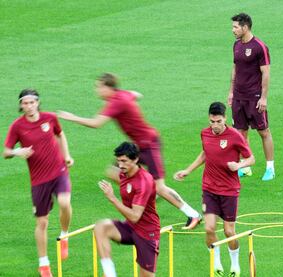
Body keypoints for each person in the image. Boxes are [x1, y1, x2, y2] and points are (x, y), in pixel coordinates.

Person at [58, 73, 201, 229]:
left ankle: (193, 214)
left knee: (160, 187)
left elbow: (96, 123)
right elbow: (136, 94)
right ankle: (146, 193)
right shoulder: (123, 95)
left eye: (99, 87)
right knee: (114, 172)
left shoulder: (116, 102)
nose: (97, 90)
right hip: (137, 146)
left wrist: (71, 117)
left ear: (108, 87)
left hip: (149, 144)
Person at [174, 102, 254, 277]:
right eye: (212, 121)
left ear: (225, 118)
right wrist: (188, 170)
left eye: (218, 121)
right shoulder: (205, 133)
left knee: (228, 231)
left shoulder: (235, 136)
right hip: (209, 188)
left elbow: (251, 159)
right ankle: (216, 261)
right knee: (209, 228)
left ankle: (235, 264)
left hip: (229, 190)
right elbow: (204, 154)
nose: (215, 125)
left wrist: (239, 165)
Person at [3, 89, 73, 277]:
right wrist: (17, 152)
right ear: (21, 105)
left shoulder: (49, 118)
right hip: (39, 180)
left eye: (31, 102)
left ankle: (64, 234)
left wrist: (66, 155)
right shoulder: (17, 126)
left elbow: (60, 134)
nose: (28, 106)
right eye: (24, 103)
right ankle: (44, 263)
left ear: (37, 103)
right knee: (42, 222)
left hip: (59, 171)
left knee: (65, 203)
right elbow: (6, 151)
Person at [94, 142, 160, 277]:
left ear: (135, 159)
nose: (120, 165)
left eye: (124, 161)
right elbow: (111, 171)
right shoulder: (124, 174)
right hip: (130, 227)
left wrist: (112, 198)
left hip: (147, 233)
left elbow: (135, 216)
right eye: (118, 161)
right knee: (101, 227)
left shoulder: (144, 181)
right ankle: (110, 274)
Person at [228, 13, 275, 181]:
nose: (232, 30)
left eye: (235, 27)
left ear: (245, 27)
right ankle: (246, 166)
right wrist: (231, 92)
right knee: (240, 133)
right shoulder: (236, 45)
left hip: (254, 97)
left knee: (263, 131)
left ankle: (270, 168)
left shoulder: (259, 47)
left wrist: (263, 98)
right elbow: (235, 69)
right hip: (239, 96)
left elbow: (266, 73)